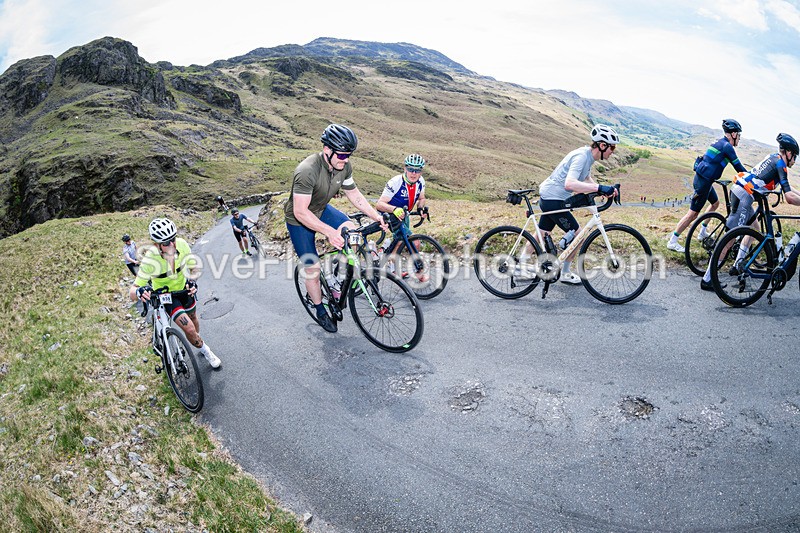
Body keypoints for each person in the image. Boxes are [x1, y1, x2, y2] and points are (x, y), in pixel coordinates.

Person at [285, 124, 388, 333]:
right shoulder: (306, 171)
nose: (346, 159)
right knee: (312, 269)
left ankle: (340, 279)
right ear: (327, 150)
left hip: (322, 209)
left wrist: (376, 216)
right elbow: (301, 212)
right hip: (299, 218)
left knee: (352, 232)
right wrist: (329, 232)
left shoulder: (344, 166)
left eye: (349, 155)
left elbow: (355, 195)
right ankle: (320, 309)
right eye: (341, 155)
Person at [700, 133, 800, 290]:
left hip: (742, 192)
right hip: (744, 196)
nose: (795, 160)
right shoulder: (781, 164)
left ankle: (737, 264)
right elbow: (789, 197)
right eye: (795, 156)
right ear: (788, 152)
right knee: (729, 240)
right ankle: (707, 280)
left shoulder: (774, 158)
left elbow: (787, 186)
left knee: (754, 230)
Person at [129, 218, 221, 368]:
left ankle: (197, 341)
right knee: (189, 327)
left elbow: (194, 268)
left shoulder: (182, 244)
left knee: (193, 320)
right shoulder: (150, 259)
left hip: (184, 290)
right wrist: (139, 291)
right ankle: (206, 350)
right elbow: (132, 292)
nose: (172, 244)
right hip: (167, 297)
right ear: (156, 245)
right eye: (166, 243)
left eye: (173, 239)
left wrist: (192, 281)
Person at [537, 124, 620, 284]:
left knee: (541, 234)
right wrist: (599, 187)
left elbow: (586, 179)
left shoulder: (588, 157)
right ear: (602, 146)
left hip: (551, 197)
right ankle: (565, 273)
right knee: (579, 235)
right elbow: (570, 184)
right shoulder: (582, 156)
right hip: (553, 199)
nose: (613, 151)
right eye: (612, 148)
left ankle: (519, 264)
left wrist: (603, 190)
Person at [667, 119, 747, 252]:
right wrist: (752, 178)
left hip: (704, 179)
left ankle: (702, 232)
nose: (739, 138)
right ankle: (673, 241)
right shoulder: (727, 146)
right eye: (738, 135)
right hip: (703, 182)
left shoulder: (719, 142)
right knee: (692, 214)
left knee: (715, 204)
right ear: (733, 134)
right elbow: (738, 167)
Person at [374, 153, 429, 282]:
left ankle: (386, 257)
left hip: (404, 215)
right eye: (410, 169)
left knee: (399, 242)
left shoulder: (420, 182)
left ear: (421, 172)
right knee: (413, 242)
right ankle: (419, 272)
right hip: (391, 215)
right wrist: (394, 209)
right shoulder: (395, 182)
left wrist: (420, 209)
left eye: (417, 170)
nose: (413, 173)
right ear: (405, 168)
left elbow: (421, 198)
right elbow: (379, 204)